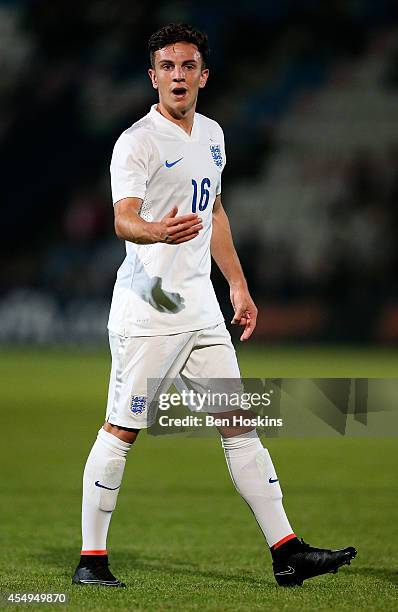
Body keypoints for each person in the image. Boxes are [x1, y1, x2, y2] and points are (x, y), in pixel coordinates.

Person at [72, 23, 356, 589]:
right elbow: (122, 216)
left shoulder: (213, 135)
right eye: (167, 67)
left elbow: (216, 211)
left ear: (204, 75)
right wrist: (156, 231)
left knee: (239, 425)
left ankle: (286, 550)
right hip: (150, 309)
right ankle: (91, 561)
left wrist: (239, 285)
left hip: (201, 309)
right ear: (153, 77)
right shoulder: (136, 141)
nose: (178, 75)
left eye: (188, 66)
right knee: (123, 429)